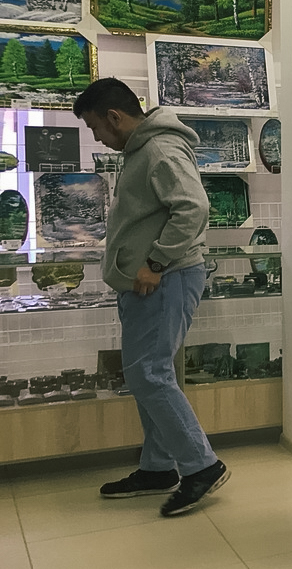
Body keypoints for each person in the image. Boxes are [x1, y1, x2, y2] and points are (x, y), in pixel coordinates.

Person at [74, 77, 229, 516]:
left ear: (114, 117)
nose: (97, 137)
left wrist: (156, 263)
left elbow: (194, 208)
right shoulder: (142, 149)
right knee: (148, 374)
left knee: (148, 374)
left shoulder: (160, 149)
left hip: (165, 279)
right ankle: (159, 467)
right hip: (148, 283)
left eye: (95, 127)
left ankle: (202, 466)